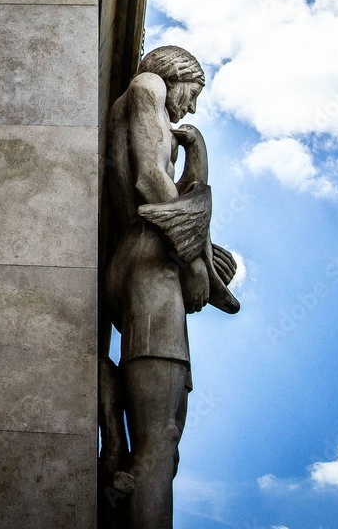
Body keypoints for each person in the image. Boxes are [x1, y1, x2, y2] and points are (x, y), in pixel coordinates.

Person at [103, 46, 238, 529]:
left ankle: (115, 451)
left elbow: (165, 190)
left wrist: (196, 158)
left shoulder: (147, 99)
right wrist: (197, 263)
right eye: (194, 92)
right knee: (160, 440)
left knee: (162, 440)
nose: (192, 105)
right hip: (151, 264)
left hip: (144, 261)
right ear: (178, 75)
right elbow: (148, 181)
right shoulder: (149, 87)